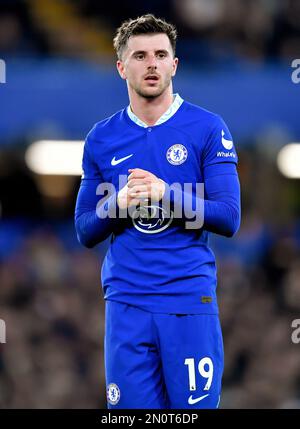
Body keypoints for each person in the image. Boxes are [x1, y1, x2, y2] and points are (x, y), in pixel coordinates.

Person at [75, 14, 241, 409]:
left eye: (160, 54)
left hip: (187, 298)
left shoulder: (207, 127)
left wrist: (166, 194)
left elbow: (229, 217)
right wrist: (117, 204)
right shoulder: (102, 137)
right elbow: (84, 229)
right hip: (127, 302)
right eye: (140, 55)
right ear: (121, 67)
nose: (151, 63)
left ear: (174, 64)